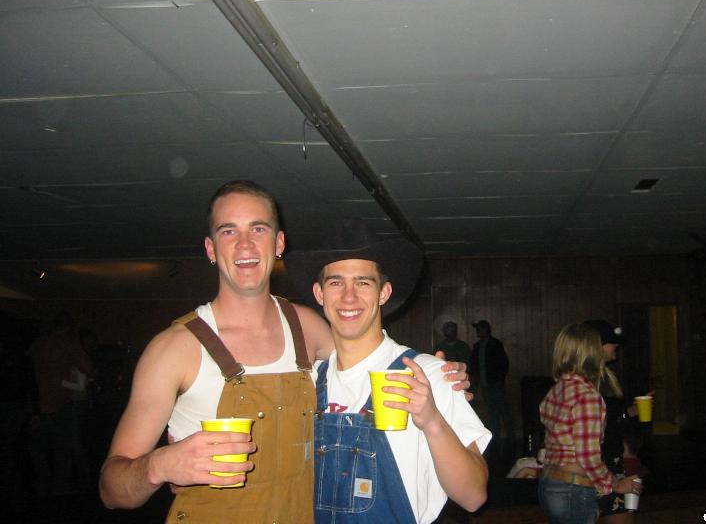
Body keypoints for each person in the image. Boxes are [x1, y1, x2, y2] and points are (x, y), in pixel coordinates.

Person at [98, 180, 469, 523]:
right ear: (210, 248)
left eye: (258, 229)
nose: (245, 245)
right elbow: (111, 490)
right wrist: (160, 466)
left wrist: (441, 382)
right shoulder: (175, 349)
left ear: (278, 243)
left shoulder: (307, 327)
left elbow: (364, 362)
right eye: (229, 231)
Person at [286, 226, 490, 523]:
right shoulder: (310, 382)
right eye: (336, 283)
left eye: (363, 282)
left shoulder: (429, 375)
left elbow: (473, 497)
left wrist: (432, 421)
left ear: (384, 292)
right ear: (320, 293)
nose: (348, 297)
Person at [538, 322, 640, 524]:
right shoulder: (587, 396)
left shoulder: (557, 390)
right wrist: (615, 484)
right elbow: (586, 455)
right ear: (592, 352)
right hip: (573, 487)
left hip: (550, 483)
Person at [30, 310, 94, 496]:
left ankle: (42, 487)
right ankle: (60, 489)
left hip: (35, 404)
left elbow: (27, 370)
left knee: (39, 451)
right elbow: (88, 369)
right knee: (62, 450)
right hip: (59, 404)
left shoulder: (38, 343)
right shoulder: (68, 344)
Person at [470, 319, 514, 444]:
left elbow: (503, 363)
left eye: (479, 329)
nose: (477, 332)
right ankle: (496, 437)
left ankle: (511, 436)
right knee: (492, 412)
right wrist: (476, 380)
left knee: (503, 410)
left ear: (485, 330)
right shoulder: (477, 347)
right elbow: (474, 365)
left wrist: (499, 379)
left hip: (495, 384)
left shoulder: (495, 344)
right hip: (485, 385)